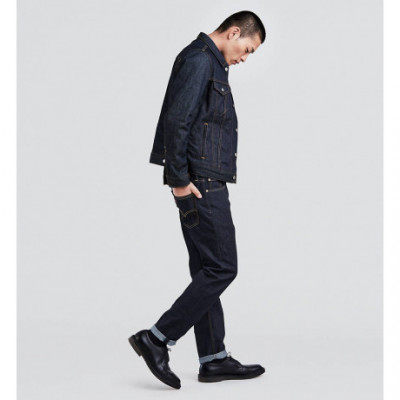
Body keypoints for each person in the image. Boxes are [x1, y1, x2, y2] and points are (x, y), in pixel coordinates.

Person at [129, 11, 266, 389]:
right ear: (234, 32)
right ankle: (157, 338)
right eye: (248, 48)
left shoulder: (210, 63)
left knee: (207, 268)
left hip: (202, 178)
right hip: (200, 182)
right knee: (222, 268)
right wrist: (178, 181)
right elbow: (178, 120)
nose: (245, 57)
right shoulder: (200, 60)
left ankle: (213, 358)